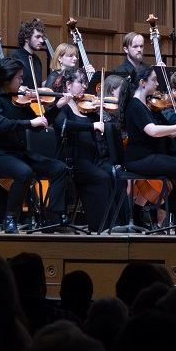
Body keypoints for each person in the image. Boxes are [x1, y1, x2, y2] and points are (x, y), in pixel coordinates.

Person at [117, 63, 176, 233]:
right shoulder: (135, 106)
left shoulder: (146, 105)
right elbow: (152, 131)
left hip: (148, 157)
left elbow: (170, 133)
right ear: (142, 82)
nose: (157, 84)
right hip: (140, 159)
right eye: (154, 80)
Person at [0, 57, 70, 232]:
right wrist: (30, 123)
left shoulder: (18, 100)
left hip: (19, 154)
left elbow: (39, 124)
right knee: (25, 173)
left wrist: (58, 106)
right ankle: (10, 218)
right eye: (19, 78)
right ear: (7, 79)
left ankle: (51, 217)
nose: (22, 82)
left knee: (59, 168)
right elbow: (1, 125)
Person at [54, 66, 117, 231]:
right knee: (102, 178)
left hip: (95, 157)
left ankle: (118, 224)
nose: (84, 87)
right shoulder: (62, 105)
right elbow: (63, 125)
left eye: (85, 83)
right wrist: (91, 127)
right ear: (68, 84)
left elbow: (104, 124)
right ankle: (100, 225)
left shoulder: (87, 105)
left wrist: (101, 110)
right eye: (80, 83)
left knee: (114, 173)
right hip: (74, 158)